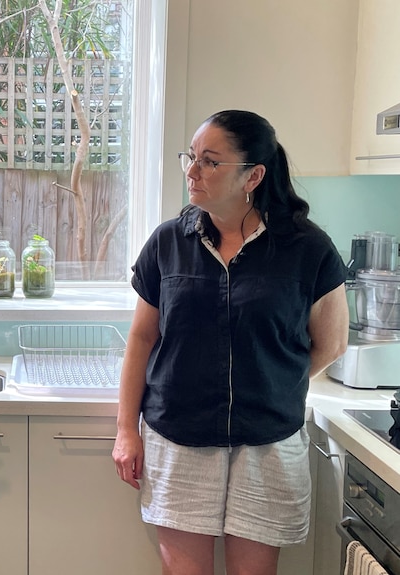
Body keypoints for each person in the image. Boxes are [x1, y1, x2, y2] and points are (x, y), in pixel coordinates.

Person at [112, 110, 349, 575]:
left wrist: (271, 381)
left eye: (210, 161)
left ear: (253, 176)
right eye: (192, 157)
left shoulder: (308, 249)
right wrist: (126, 429)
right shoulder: (168, 243)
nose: (192, 171)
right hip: (179, 435)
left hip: (267, 443)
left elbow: (331, 342)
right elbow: (141, 337)